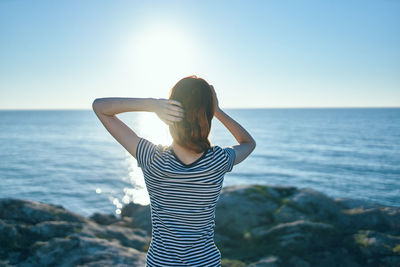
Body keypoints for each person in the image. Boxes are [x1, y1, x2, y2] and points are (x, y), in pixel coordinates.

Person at [92, 75, 256, 266]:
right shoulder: (218, 160)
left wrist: (153, 105)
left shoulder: (151, 157)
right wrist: (216, 110)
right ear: (206, 115)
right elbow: (248, 143)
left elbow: (100, 108)